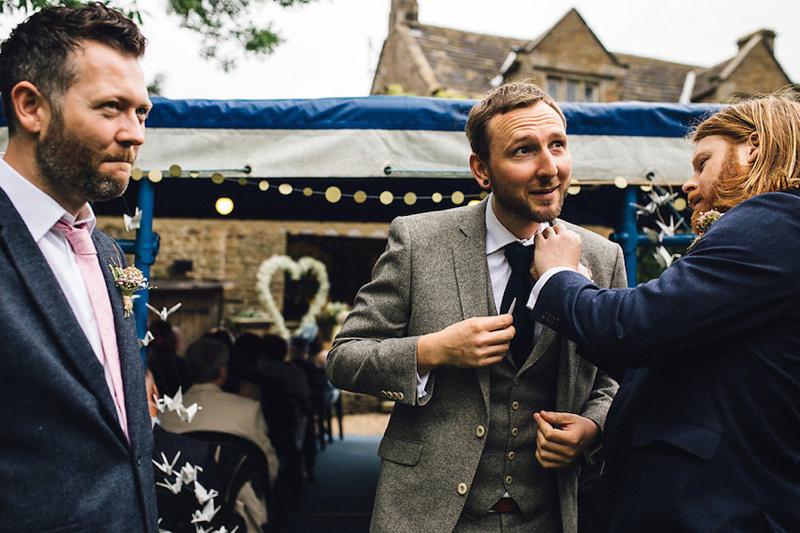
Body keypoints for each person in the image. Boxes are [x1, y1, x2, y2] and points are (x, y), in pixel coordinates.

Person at [327, 81, 627, 532]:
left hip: (552, 516)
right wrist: (433, 350)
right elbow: (344, 358)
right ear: (482, 170)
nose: (550, 168)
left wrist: (593, 427)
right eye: (524, 151)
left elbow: (617, 375)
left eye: (558, 145)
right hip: (429, 514)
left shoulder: (602, 257)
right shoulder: (418, 241)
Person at [530, 93, 800, 531]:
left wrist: (560, 277)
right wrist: (599, 428)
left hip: (718, 511)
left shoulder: (772, 222)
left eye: (702, 163)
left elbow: (631, 328)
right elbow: (671, 350)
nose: (687, 187)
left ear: (752, 148)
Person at [0, 3, 157, 530]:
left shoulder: (106, 252)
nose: (135, 135)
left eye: (142, 112)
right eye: (112, 107)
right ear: (30, 107)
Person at [159, 337, 280, 532]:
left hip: (178, 518)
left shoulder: (164, 414)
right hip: (235, 515)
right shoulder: (248, 409)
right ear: (223, 371)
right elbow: (269, 468)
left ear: (189, 370)